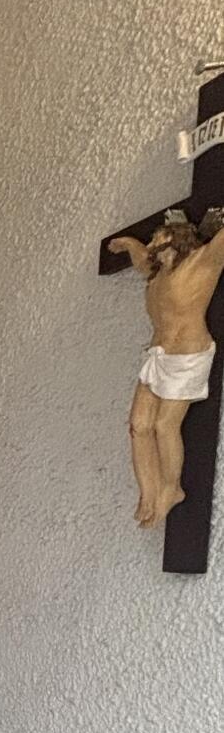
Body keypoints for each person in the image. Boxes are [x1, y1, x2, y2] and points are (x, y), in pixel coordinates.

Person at [109, 207, 224, 525]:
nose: (154, 240)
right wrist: (130, 244)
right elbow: (141, 259)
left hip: (187, 357)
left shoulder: (203, 262)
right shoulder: (157, 275)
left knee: (164, 426)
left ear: (179, 238)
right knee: (139, 426)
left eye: (160, 236)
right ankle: (149, 491)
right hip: (157, 357)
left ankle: (171, 489)